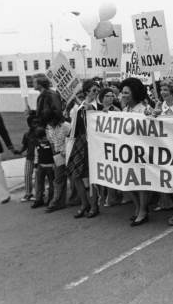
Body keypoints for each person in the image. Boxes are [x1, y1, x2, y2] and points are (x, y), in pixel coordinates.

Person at [117, 77, 152, 225]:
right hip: (127, 152)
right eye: (122, 92)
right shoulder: (125, 110)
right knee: (129, 181)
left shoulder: (144, 110)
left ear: (134, 93)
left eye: (126, 93)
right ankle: (138, 207)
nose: (123, 95)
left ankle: (143, 211)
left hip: (141, 152)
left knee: (141, 183)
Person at [66, 80, 102, 219]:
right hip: (80, 143)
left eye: (97, 90)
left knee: (91, 176)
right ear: (86, 91)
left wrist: (92, 111)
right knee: (75, 175)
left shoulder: (98, 106)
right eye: (94, 90)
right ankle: (84, 203)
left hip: (93, 144)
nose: (96, 92)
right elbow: (73, 126)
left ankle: (94, 206)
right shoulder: (78, 108)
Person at [149, 79, 173, 214]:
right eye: (161, 90)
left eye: (165, 90)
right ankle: (168, 203)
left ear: (172, 92)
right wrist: (152, 115)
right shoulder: (159, 105)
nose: (162, 92)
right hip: (164, 148)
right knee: (166, 176)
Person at [95, 86, 123, 208]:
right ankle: (102, 195)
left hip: (112, 144)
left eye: (112, 96)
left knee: (111, 170)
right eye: (107, 96)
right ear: (101, 97)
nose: (110, 98)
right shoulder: (96, 110)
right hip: (99, 144)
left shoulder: (116, 110)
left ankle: (111, 197)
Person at [40, 110, 71, 212]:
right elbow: (52, 143)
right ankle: (57, 201)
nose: (50, 123)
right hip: (58, 155)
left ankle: (76, 199)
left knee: (74, 179)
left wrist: (66, 151)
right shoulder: (48, 128)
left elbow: (72, 139)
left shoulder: (66, 126)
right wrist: (55, 157)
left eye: (51, 121)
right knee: (58, 179)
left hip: (70, 155)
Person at [16, 112, 41, 202]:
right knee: (27, 175)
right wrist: (19, 151)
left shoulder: (41, 133)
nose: (36, 125)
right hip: (29, 158)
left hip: (40, 158)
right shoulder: (27, 135)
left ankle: (39, 193)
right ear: (29, 124)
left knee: (38, 176)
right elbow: (24, 146)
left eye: (38, 122)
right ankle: (28, 193)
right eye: (34, 123)